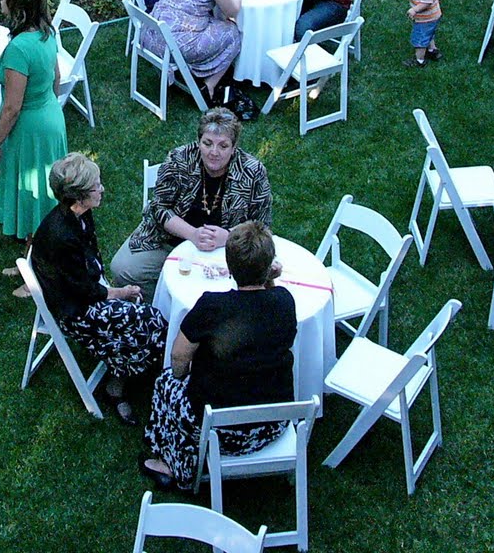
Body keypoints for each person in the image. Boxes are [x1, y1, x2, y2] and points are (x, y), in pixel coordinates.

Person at [140, 221, 297, 490]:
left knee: (166, 383)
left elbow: (178, 357)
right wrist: (270, 277)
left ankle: (173, 465)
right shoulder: (285, 301)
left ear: (230, 265)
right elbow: (266, 297)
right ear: (270, 264)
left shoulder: (212, 306)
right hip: (272, 425)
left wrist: (181, 378)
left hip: (218, 432)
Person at [30, 153, 166, 425]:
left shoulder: (80, 214)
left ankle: (127, 368)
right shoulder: (62, 237)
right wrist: (123, 292)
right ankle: (117, 385)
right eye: (96, 186)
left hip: (86, 289)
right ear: (78, 197)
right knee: (153, 322)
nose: (102, 189)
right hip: (75, 311)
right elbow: (85, 293)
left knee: (148, 315)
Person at [108, 108, 273, 301]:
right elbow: (159, 208)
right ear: (198, 141)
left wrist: (229, 237)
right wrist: (192, 234)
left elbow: (262, 224)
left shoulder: (253, 171)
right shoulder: (179, 159)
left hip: (228, 252)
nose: (214, 152)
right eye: (207, 143)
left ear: (234, 147)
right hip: (169, 240)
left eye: (223, 146)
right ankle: (163, 307)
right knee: (121, 268)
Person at [0, 0, 68, 239]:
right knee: (46, 193)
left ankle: (36, 269)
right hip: (50, 117)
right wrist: (47, 106)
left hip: (30, 129)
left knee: (33, 193)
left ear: (17, 4)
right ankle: (35, 255)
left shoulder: (19, 48)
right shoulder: (46, 33)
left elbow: (11, 108)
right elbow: (56, 78)